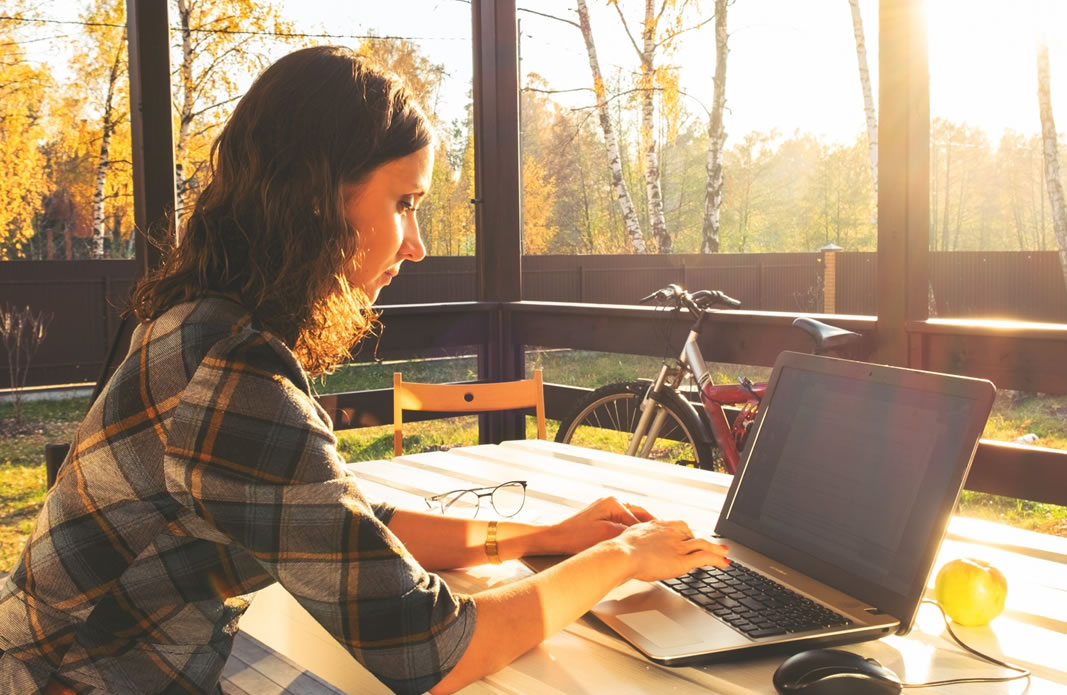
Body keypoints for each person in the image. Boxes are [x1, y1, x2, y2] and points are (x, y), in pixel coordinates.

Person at [0, 46, 729, 694]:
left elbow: (349, 527)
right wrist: (626, 555)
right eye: (404, 204)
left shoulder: (198, 326)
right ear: (319, 198)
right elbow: (434, 653)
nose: (414, 244)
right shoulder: (230, 373)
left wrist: (539, 536)